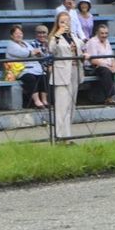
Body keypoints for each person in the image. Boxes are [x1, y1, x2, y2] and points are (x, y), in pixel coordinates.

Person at [49, 11, 87, 139]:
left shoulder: (74, 36)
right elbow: (51, 49)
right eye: (62, 22)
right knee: (62, 106)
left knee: (71, 105)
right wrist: (57, 35)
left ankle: (68, 134)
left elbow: (81, 47)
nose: (66, 24)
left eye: (67, 21)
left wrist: (83, 55)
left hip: (74, 71)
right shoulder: (55, 37)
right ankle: (61, 136)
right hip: (61, 73)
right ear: (58, 24)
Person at [5, 25, 48, 108]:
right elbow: (24, 53)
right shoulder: (11, 45)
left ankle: (44, 100)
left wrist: (35, 52)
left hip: (32, 68)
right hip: (20, 70)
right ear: (12, 35)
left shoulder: (25, 43)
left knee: (43, 76)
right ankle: (36, 101)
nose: (19, 35)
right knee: (30, 78)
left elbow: (37, 53)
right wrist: (32, 52)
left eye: (20, 33)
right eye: (16, 33)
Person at [85, 24, 115, 105]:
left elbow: (111, 56)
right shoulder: (92, 42)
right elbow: (93, 60)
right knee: (106, 71)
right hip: (93, 67)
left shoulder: (107, 41)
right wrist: (109, 67)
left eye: (106, 33)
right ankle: (110, 98)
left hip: (107, 65)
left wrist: (114, 66)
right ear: (97, 33)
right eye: (102, 33)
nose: (104, 35)